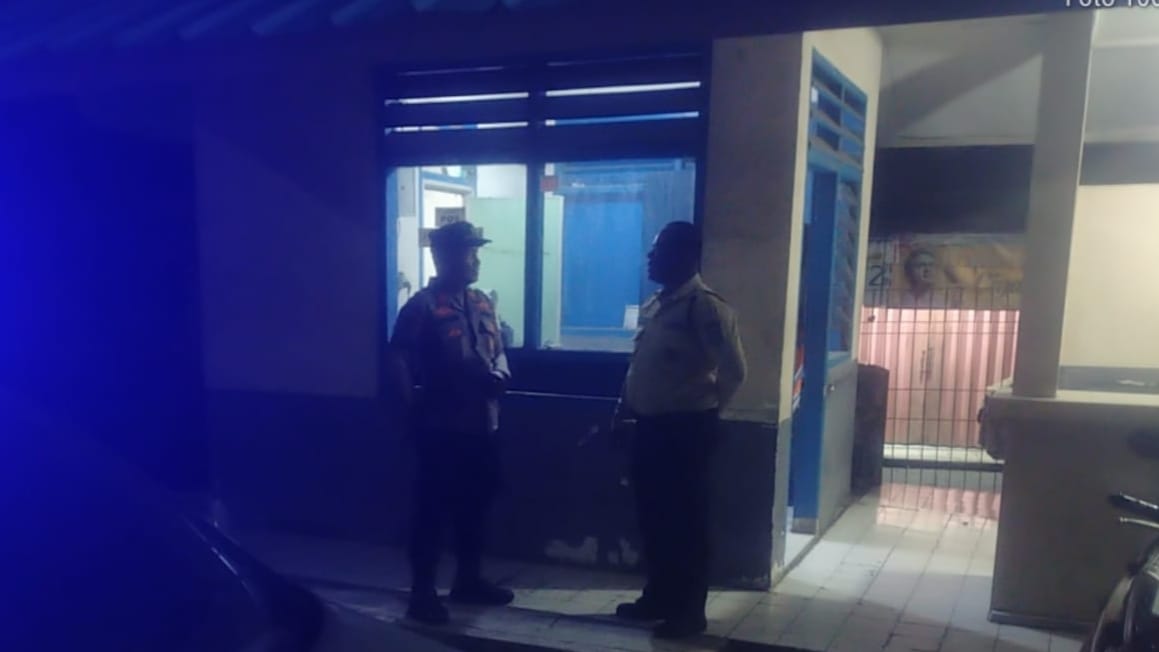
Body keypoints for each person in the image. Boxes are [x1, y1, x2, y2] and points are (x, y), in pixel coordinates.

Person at [611, 221, 747, 639]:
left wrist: (705, 411)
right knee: (654, 517)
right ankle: (659, 597)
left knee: (686, 523)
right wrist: (623, 410)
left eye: (660, 250)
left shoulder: (704, 308)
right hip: (650, 427)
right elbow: (640, 365)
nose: (651, 257)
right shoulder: (658, 304)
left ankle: (689, 611)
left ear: (685, 255)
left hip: (685, 431)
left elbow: (735, 371)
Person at [390, 221, 514, 626]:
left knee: (475, 505)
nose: (476, 259)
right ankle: (422, 593)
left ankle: (468, 579)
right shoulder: (422, 307)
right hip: (441, 429)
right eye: (468, 252)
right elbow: (398, 359)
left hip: (482, 426)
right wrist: (412, 407)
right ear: (442, 257)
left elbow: (499, 350)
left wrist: (500, 374)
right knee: (432, 512)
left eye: (476, 252)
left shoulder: (482, 302)